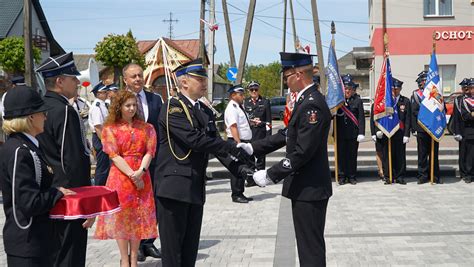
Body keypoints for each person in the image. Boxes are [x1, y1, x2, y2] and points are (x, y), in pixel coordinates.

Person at [237, 52, 332, 266]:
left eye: (286, 75)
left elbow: (302, 151)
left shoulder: (312, 104)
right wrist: (252, 147)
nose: (285, 81)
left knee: (311, 248)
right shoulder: (304, 100)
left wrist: (270, 175)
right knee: (306, 244)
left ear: (298, 74)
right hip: (305, 187)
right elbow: (286, 134)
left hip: (310, 188)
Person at [154, 58, 241, 266]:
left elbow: (215, 143)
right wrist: (231, 145)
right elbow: (195, 140)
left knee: (189, 251)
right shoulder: (172, 107)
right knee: (174, 253)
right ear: (184, 83)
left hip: (194, 187)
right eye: (199, 78)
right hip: (173, 189)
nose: (204, 83)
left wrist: (240, 167)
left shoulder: (203, 110)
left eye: (205, 78)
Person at [0, 85, 75, 266]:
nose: (46, 117)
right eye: (42, 113)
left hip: (36, 240)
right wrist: (57, 193)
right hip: (28, 242)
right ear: (31, 117)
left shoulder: (26, 145)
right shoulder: (20, 150)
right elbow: (29, 202)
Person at [35, 52, 94, 266]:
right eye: (72, 78)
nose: (78, 82)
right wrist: (86, 202)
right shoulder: (65, 111)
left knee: (55, 255)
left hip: (48, 193)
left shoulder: (40, 107)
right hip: (69, 197)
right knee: (71, 256)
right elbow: (74, 160)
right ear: (60, 81)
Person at [94, 90, 158, 267]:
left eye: (133, 105)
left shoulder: (147, 128)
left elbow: (149, 152)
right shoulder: (110, 129)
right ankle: (124, 258)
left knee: (137, 216)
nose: (131, 108)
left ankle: (134, 258)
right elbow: (114, 155)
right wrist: (132, 174)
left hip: (142, 176)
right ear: (119, 107)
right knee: (123, 218)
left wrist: (141, 172)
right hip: (120, 177)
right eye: (127, 105)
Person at [122, 63, 163, 261]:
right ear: (125, 80)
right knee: (131, 207)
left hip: (153, 161)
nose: (137, 79)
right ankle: (134, 246)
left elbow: (161, 129)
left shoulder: (155, 99)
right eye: (133, 76)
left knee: (150, 203)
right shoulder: (119, 101)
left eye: (140, 75)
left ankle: (148, 242)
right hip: (128, 165)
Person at [410, 71, 442, 184]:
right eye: (422, 80)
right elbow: (413, 113)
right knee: (422, 154)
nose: (424, 82)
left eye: (426, 80)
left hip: (433, 127)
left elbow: (442, 109)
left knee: (434, 153)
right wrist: (413, 129)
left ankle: (435, 176)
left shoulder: (436, 93)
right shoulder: (416, 94)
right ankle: (422, 176)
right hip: (421, 128)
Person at [224, 84, 254, 203]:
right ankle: (236, 194)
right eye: (240, 94)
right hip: (236, 141)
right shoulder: (231, 108)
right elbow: (233, 127)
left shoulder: (239, 107)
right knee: (237, 168)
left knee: (242, 167)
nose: (243, 96)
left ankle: (240, 192)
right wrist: (239, 143)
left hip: (243, 141)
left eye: (243, 94)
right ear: (233, 95)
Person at [335, 74, 365, 185]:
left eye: (350, 89)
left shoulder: (357, 100)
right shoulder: (338, 101)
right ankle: (342, 176)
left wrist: (361, 132)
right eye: (346, 88)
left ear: (353, 90)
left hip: (353, 134)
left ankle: (352, 176)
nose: (348, 90)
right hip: (340, 134)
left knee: (352, 156)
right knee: (341, 156)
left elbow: (361, 118)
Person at [244, 81, 272, 173]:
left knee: (261, 158)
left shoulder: (265, 102)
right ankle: (251, 178)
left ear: (259, 90)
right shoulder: (245, 102)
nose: (254, 91)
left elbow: (268, 121)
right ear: (249, 91)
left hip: (261, 133)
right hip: (250, 134)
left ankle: (260, 177)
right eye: (252, 90)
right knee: (249, 157)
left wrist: (269, 137)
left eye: (256, 89)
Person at [89, 81, 111, 186]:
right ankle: (99, 187)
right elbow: (98, 127)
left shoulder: (103, 104)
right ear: (98, 94)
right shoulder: (96, 106)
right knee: (102, 166)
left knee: (106, 165)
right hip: (100, 137)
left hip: (104, 136)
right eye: (104, 92)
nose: (106, 93)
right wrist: (105, 142)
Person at [452, 78, 469, 182]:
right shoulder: (458, 100)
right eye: (464, 88)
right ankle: (463, 173)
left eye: (468, 88)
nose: (466, 90)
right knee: (463, 153)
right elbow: (456, 117)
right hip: (462, 129)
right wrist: (456, 132)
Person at [460, 78, 474, 183]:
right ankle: (469, 174)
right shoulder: (465, 101)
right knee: (470, 155)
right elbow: (465, 115)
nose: (472, 90)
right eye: (471, 88)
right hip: (470, 131)